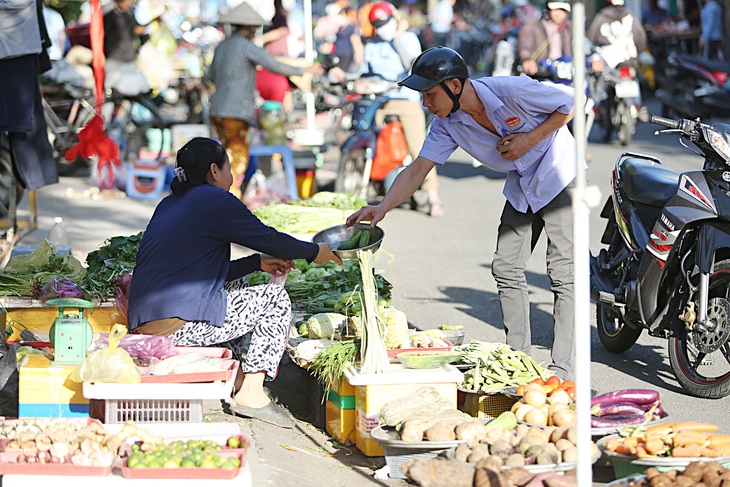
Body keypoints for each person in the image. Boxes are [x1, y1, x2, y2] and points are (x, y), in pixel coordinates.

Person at [347, 47, 579, 379]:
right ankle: (520, 361)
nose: (426, 104)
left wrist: (529, 139)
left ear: (454, 86)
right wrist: (383, 206)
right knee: (506, 266)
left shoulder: (510, 89)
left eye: (429, 95)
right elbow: (417, 170)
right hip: (523, 184)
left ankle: (563, 371)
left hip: (558, 173)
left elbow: (571, 104)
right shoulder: (445, 125)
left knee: (561, 273)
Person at [127, 137, 342, 429]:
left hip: (147, 323)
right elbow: (267, 237)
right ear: (215, 170)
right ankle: (251, 393)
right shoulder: (214, 199)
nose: (232, 176)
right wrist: (314, 252)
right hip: (174, 327)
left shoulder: (169, 204)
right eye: (229, 168)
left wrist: (256, 262)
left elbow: (200, 273)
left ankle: (239, 379)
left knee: (239, 284)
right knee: (274, 299)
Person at [206, 2, 320, 199]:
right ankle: (229, 199)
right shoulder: (245, 45)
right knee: (236, 159)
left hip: (217, 110)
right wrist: (302, 70)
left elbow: (211, 76)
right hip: (236, 112)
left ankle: (219, 197)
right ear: (250, 28)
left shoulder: (222, 46)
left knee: (221, 157)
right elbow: (272, 64)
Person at [361, 1, 445, 216]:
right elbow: (364, 72)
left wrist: (396, 37)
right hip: (379, 100)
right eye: (378, 24)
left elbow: (411, 63)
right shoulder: (371, 45)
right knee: (362, 135)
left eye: (385, 22)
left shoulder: (407, 39)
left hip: (405, 100)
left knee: (420, 150)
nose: (382, 28)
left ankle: (433, 197)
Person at [103, 0, 165, 90]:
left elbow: (137, 30)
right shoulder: (111, 16)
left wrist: (153, 21)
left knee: (125, 88)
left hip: (128, 59)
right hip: (114, 58)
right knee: (110, 87)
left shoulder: (130, 15)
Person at [517, 0, 572, 76]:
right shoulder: (532, 27)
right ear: (548, 10)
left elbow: (584, 47)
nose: (559, 14)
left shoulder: (570, 28)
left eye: (562, 10)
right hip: (541, 73)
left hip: (566, 72)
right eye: (556, 10)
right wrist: (526, 60)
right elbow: (524, 46)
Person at [587, 0, 647, 68]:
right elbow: (641, 38)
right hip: (629, 61)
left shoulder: (601, 18)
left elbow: (590, 38)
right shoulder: (631, 17)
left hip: (608, 63)